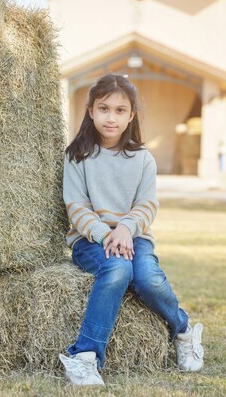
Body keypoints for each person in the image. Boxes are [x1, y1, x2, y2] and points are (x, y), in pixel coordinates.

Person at [59, 74, 204, 386]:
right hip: (91, 239)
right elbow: (76, 206)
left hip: (135, 236)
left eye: (120, 110)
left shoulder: (142, 158)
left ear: (131, 115)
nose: (112, 117)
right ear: (90, 110)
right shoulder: (76, 156)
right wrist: (106, 234)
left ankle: (184, 332)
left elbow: (148, 204)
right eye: (104, 108)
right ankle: (85, 357)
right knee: (117, 270)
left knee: (148, 278)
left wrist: (125, 228)